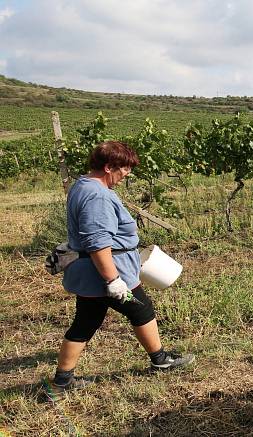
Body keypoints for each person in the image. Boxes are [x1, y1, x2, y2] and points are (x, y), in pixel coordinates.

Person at [51, 141, 194, 396]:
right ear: (108, 167)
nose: (127, 174)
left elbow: (88, 233)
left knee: (86, 321)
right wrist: (113, 280)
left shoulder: (82, 185)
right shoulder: (97, 195)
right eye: (125, 168)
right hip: (106, 272)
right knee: (142, 310)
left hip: (89, 274)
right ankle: (160, 360)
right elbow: (97, 243)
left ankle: (62, 381)